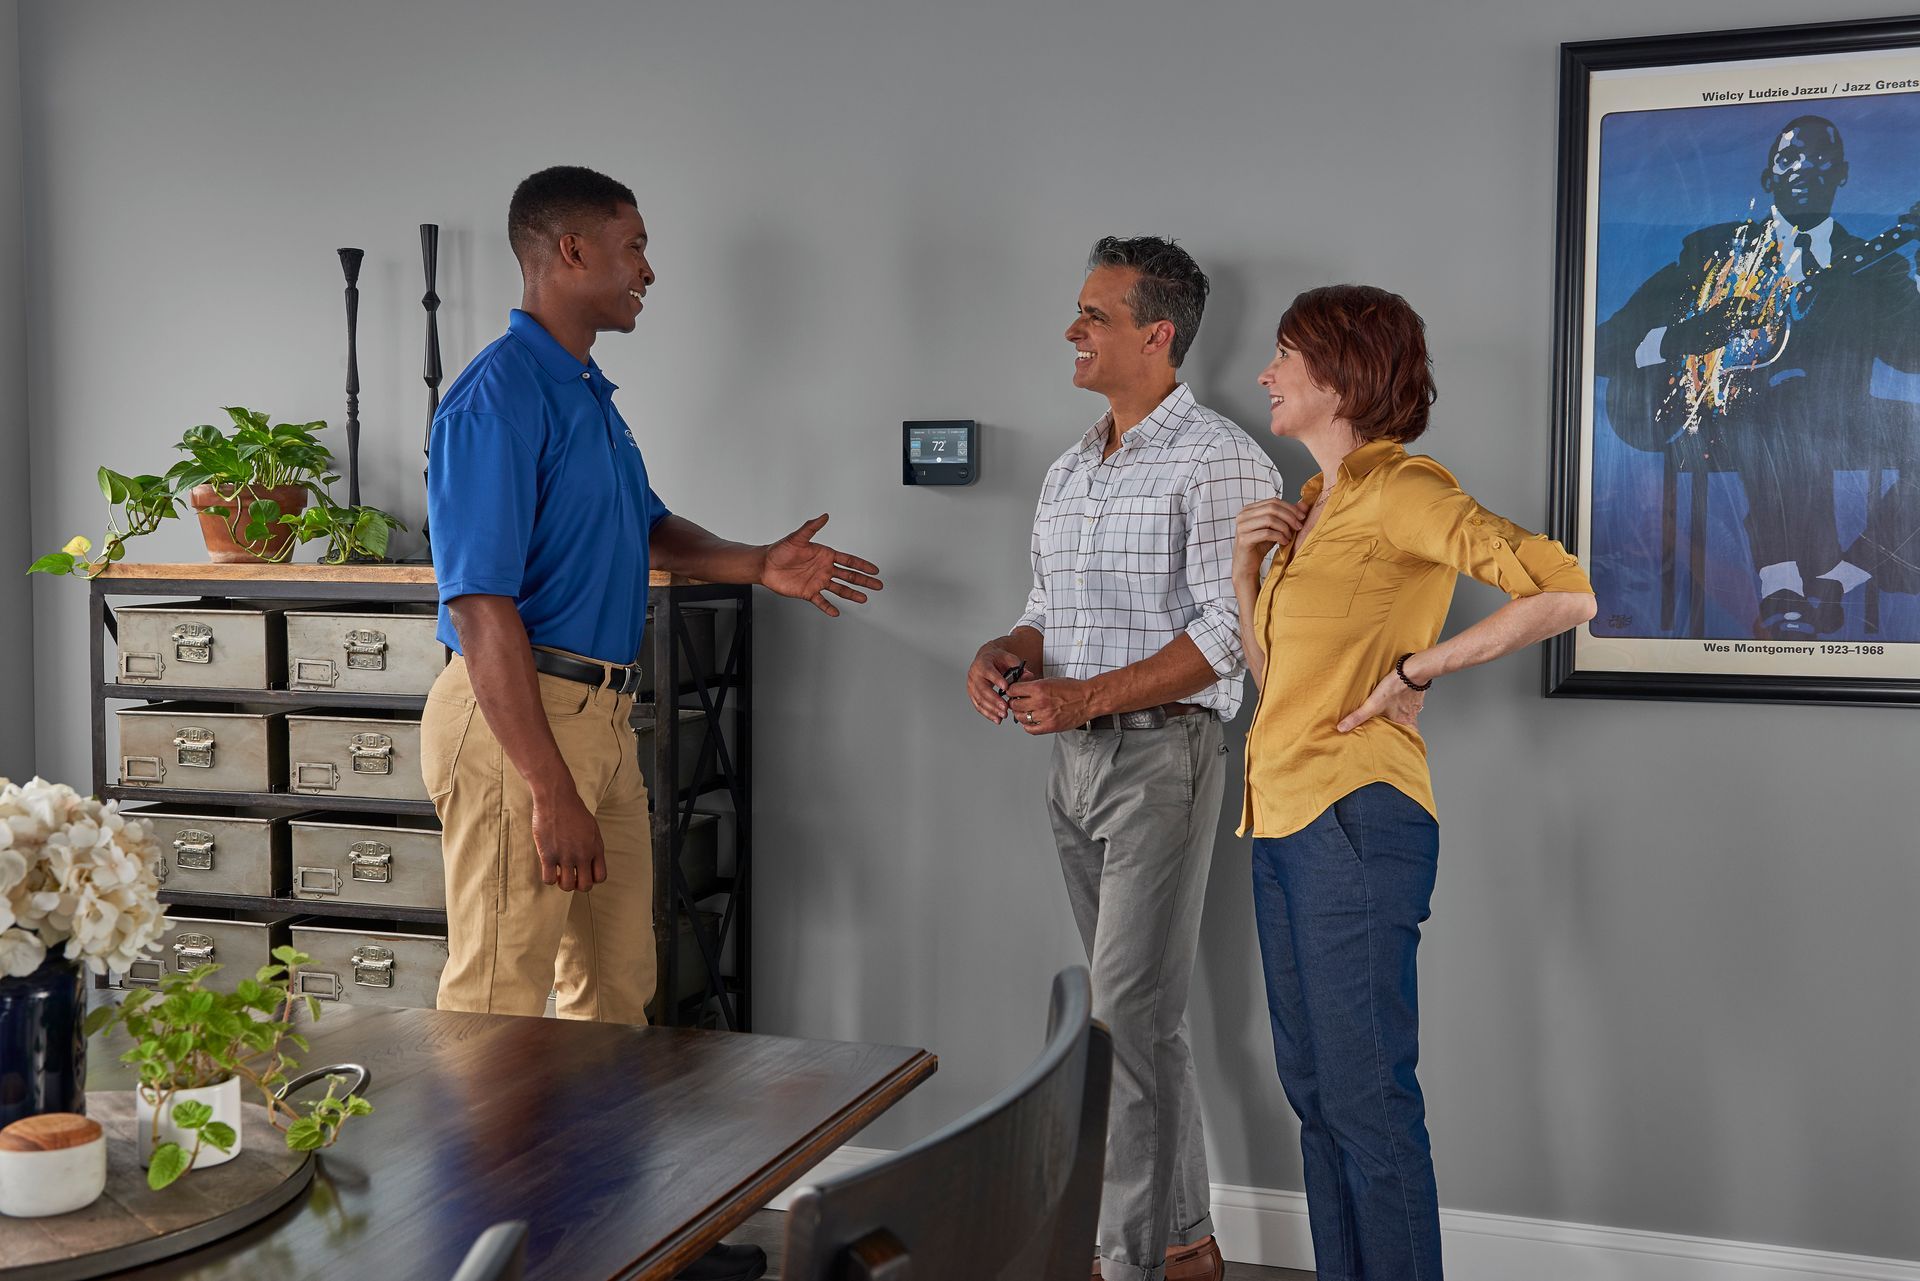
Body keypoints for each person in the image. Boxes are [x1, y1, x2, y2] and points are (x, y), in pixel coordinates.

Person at [424, 165, 883, 1281]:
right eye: (632, 248)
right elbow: (479, 606)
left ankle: (592, 1246)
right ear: (567, 252)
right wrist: (547, 787)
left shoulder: (588, 395)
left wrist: (754, 562)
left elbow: (647, 527)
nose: (648, 269)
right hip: (518, 719)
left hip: (600, 717)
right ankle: (471, 1257)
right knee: (499, 1010)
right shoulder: (495, 397)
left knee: (613, 997)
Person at [1234, 285, 1595, 1281]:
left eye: (1282, 356)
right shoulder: (1315, 504)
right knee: (1314, 1096)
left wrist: (1417, 670)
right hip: (1278, 819)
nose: (1265, 373)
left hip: (1356, 820)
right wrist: (1243, 573)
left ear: (1343, 372)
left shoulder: (1401, 487)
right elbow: (1284, 691)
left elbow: (1566, 588)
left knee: (1367, 1100)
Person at [966, 237, 1282, 1281]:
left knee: (1119, 1024)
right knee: (1142, 1026)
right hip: (1074, 770)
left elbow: (1228, 636)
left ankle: (1122, 1261)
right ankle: (1184, 1243)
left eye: (1094, 315)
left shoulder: (1223, 458)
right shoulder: (1070, 468)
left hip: (1165, 762)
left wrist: (1084, 697)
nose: (1073, 330)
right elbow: (1046, 617)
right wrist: (1004, 656)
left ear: (1157, 334)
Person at [1595, 115, 1920, 638]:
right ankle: (1782, 581)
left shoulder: (1875, 267)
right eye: (1789, 158)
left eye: (1819, 160)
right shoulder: (1713, 251)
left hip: (1836, 424)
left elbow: (1911, 357)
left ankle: (1838, 578)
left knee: (1806, 407)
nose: (1803, 169)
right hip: (1717, 422)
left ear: (1841, 175)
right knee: (1786, 403)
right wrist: (1686, 337)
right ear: (1768, 176)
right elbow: (1604, 346)